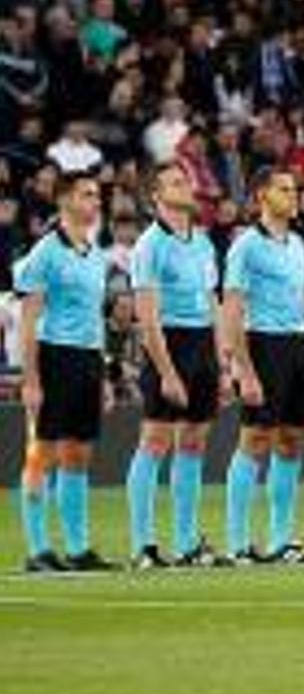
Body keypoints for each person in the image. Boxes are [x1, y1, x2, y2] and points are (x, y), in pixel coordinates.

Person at [220, 168, 304, 564]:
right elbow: (232, 308)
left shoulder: (297, 243)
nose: (292, 195)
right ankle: (238, 543)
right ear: (262, 196)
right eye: (283, 189)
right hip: (261, 345)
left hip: (295, 344)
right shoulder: (245, 246)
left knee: (292, 441)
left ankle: (282, 542)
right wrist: (242, 368)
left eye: (294, 189)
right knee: (255, 439)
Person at [16, 172, 114, 573]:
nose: (95, 202)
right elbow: (28, 320)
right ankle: (38, 549)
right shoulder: (45, 253)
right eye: (87, 195)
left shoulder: (95, 253)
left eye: (97, 195)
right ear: (64, 201)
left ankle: (77, 548)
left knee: (78, 455)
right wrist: (31, 379)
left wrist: (103, 373)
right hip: (53, 357)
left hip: (87, 359)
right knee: (42, 454)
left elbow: (95, 318)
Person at [128, 164, 222, 566]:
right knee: (155, 441)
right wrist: (166, 372)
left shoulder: (202, 242)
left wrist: (223, 361)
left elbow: (214, 303)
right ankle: (144, 545)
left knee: (194, 444)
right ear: (156, 196)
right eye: (176, 182)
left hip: (202, 343)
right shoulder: (149, 246)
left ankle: (186, 543)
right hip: (170, 342)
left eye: (187, 180)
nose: (187, 186)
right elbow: (147, 318)